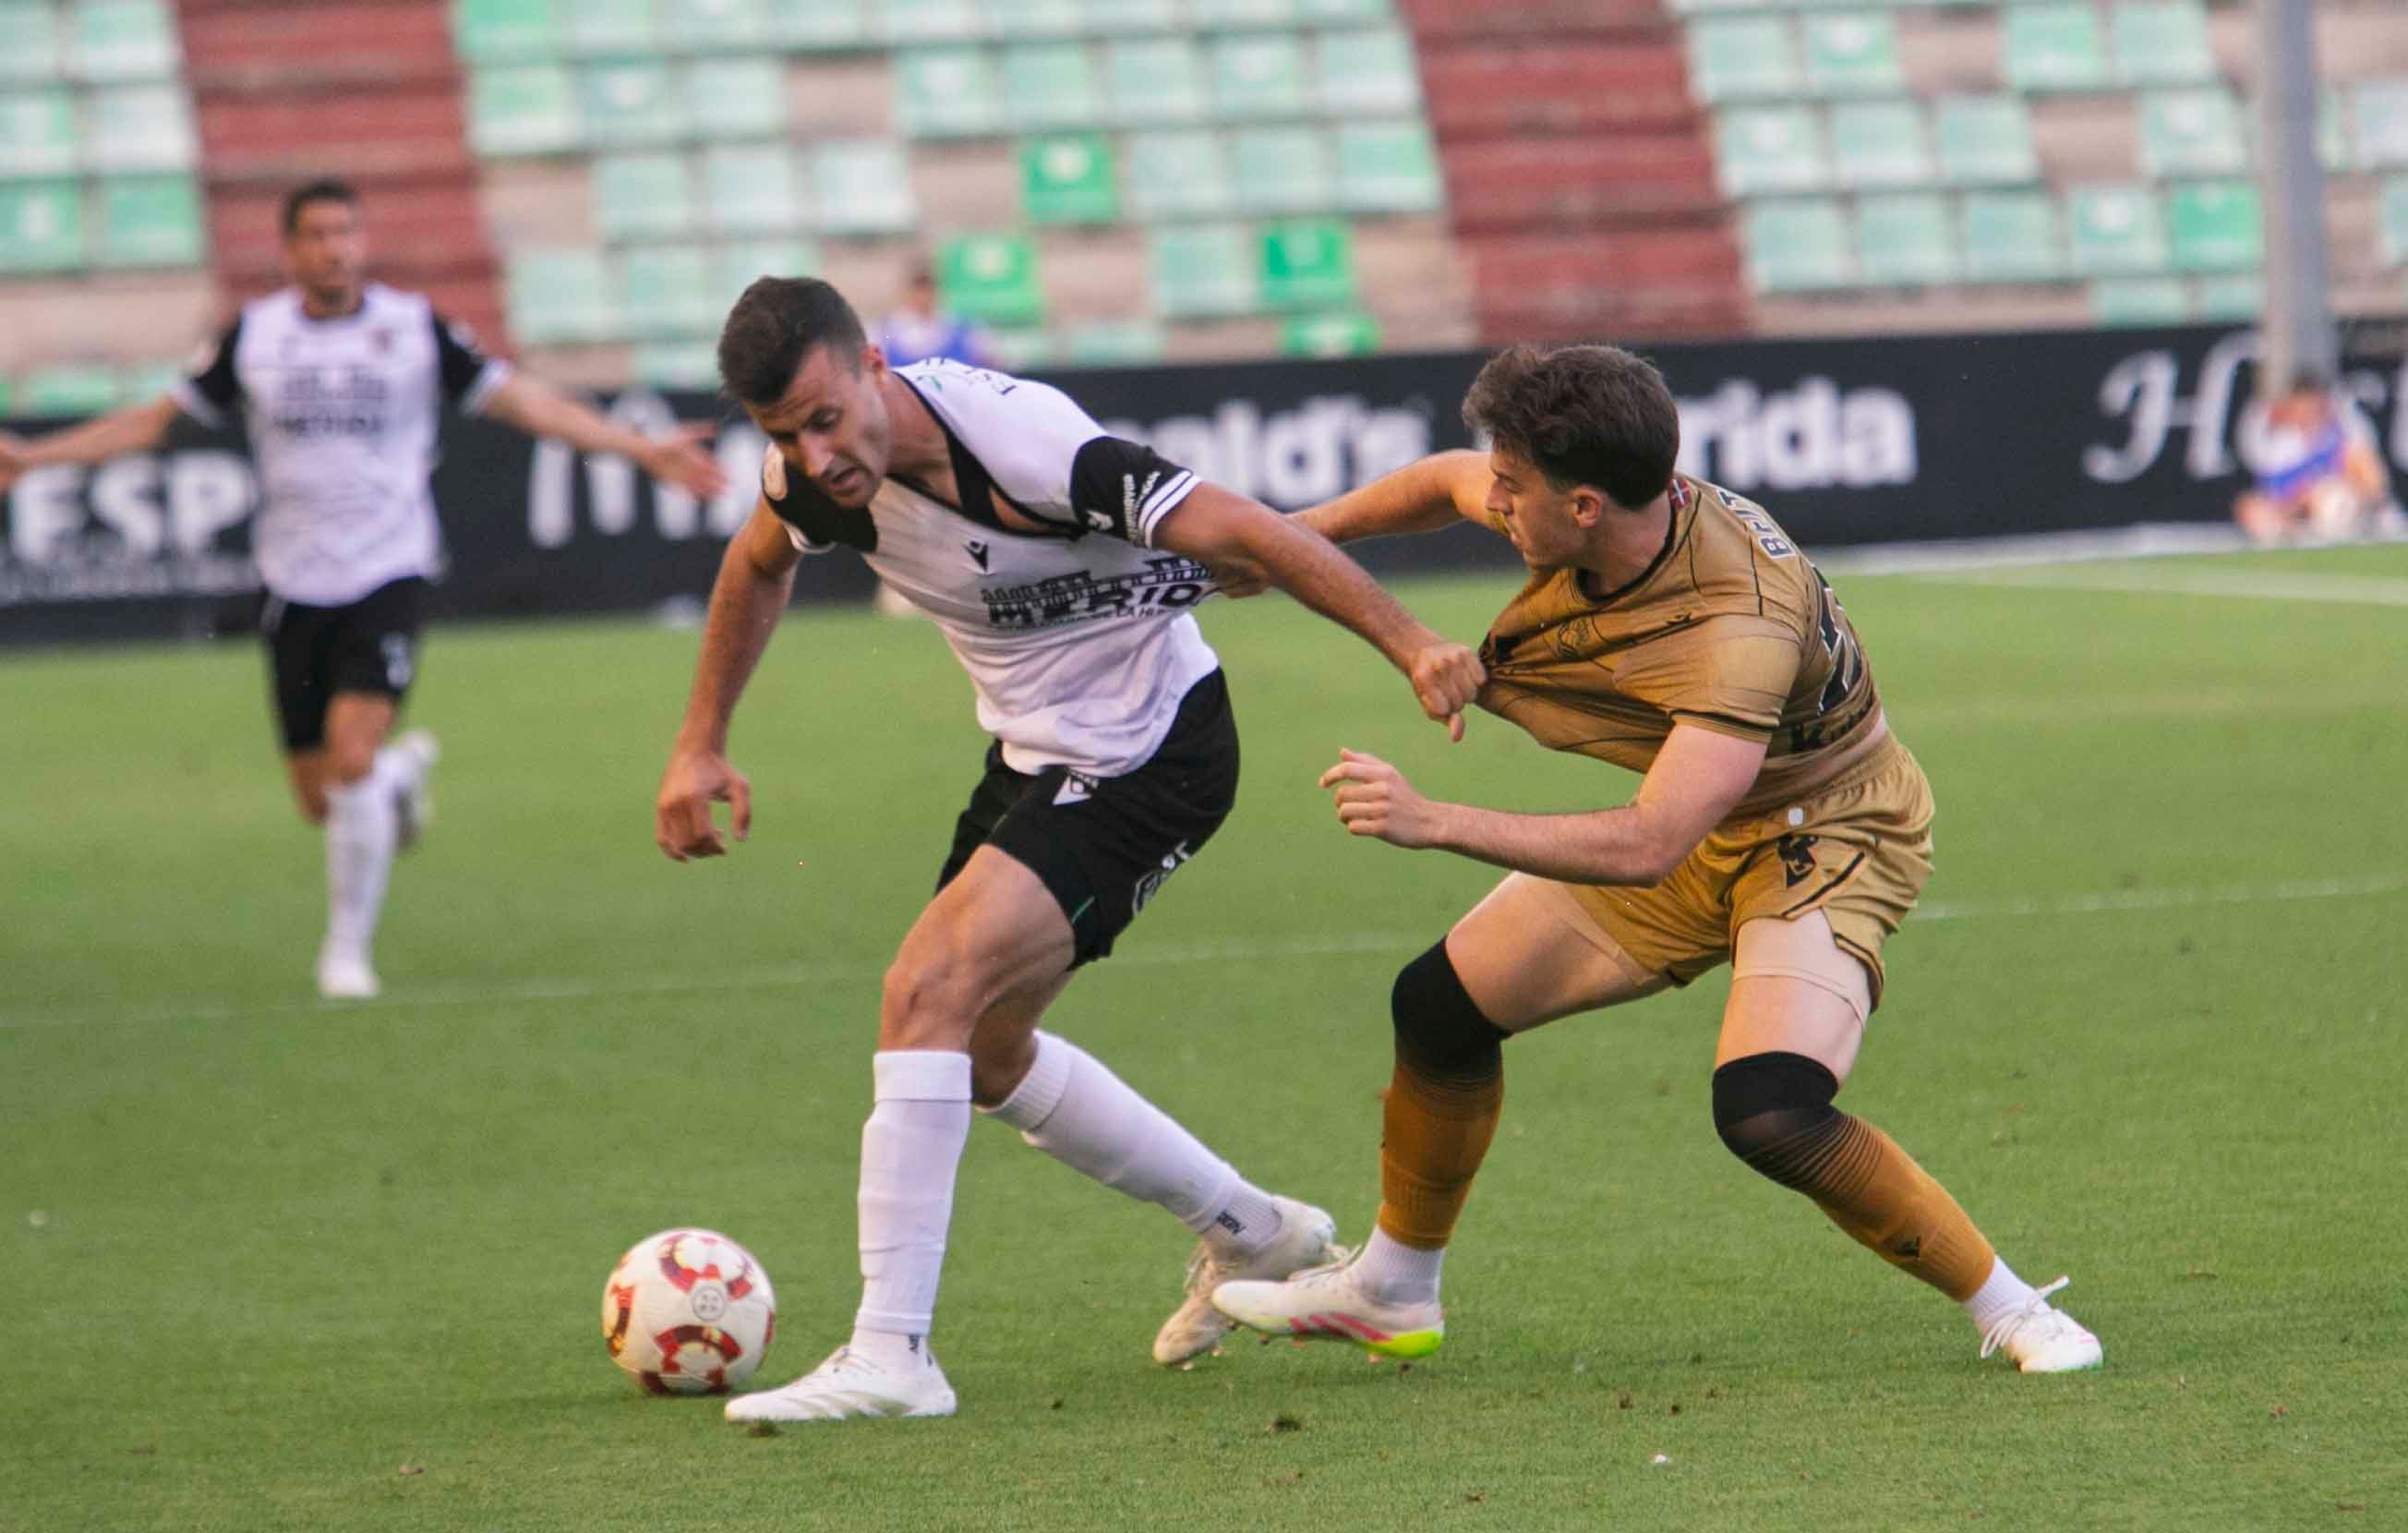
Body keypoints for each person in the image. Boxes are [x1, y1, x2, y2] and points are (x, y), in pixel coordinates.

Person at [652, 276, 1485, 1423]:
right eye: (783, 434)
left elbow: (1246, 530)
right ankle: (1255, 1231)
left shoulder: (1028, 446)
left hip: (1151, 752)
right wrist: (700, 745)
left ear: (874, 366)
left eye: (826, 416)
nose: (813, 452)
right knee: (983, 1051)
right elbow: (756, 563)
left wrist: (1412, 642)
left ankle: (892, 1354)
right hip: (1036, 758)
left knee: (923, 990)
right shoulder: (812, 481)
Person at [1211, 344, 2103, 1375]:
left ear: (1584, 506)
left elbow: (1646, 843)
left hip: (1823, 832)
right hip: (1706, 812)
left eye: (1511, 489)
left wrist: (1435, 819)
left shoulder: (1738, 627)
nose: (1489, 500)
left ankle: (2011, 1309)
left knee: (1768, 1107)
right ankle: (1390, 1289)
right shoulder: (1601, 501)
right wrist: (1289, 541)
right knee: (1439, 1007)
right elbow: (1436, 483)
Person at [0, 177, 726, 999]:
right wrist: (35, 458)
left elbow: (522, 401)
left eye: (346, 232)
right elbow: (153, 422)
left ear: (361, 241)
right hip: (292, 584)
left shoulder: (414, 330)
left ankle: (346, 950)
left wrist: (639, 448)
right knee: (325, 799)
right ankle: (398, 779)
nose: (335, 248)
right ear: (290, 250)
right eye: (316, 235)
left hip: (388, 572)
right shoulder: (256, 337)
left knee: (348, 762)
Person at [2233, 370, 2399, 543]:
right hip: (2298, 513)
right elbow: (2273, 493)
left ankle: (2379, 513)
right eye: (2302, 406)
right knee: (2249, 506)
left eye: (2313, 405)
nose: (2308, 412)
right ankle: (2293, 532)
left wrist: (2330, 488)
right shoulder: (2280, 446)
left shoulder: (2341, 432)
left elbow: (2365, 470)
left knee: (2352, 469)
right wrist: (2302, 500)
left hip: (2346, 500)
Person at [871, 257, 992, 368]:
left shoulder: (967, 329)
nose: (922, 294)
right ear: (904, 290)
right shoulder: (881, 333)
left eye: (927, 287)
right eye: (917, 288)